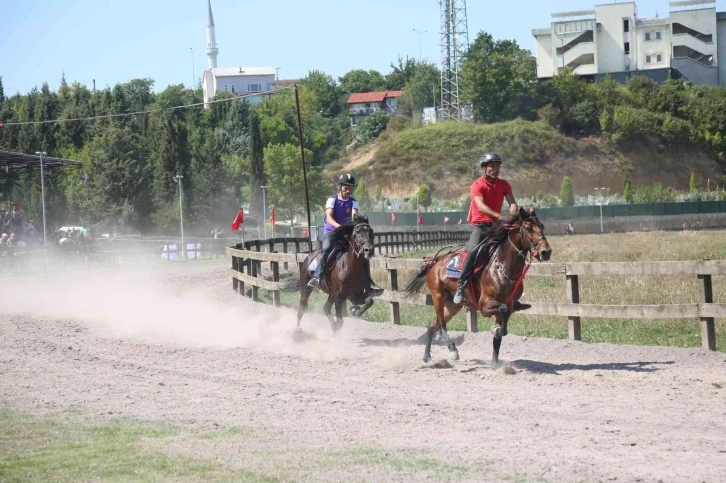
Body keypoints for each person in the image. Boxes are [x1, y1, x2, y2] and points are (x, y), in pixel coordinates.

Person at [453, 152, 528, 310]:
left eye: (497, 166)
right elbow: (480, 206)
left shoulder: (504, 184)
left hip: (497, 225)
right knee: (472, 251)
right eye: (492, 166)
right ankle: (461, 286)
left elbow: (512, 202)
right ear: (484, 169)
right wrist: (500, 216)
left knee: (512, 250)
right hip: (481, 225)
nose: (495, 169)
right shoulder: (477, 185)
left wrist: (513, 212)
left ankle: (514, 295)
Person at [308, 174, 383, 295]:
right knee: (327, 249)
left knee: (362, 253)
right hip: (331, 232)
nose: (348, 190)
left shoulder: (354, 202)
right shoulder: (332, 200)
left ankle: (369, 283)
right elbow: (329, 217)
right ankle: (316, 278)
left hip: (347, 233)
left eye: (350, 188)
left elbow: (354, 216)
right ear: (340, 187)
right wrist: (339, 227)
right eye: (345, 187)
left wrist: (355, 224)